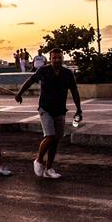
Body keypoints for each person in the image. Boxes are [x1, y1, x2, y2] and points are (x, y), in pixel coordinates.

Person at [15, 48, 81, 179]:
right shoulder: (43, 71)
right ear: (49, 59)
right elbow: (30, 80)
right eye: (54, 58)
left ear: (62, 58)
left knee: (56, 140)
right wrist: (19, 93)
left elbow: (74, 91)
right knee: (50, 136)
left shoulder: (67, 73)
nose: (57, 60)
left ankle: (49, 168)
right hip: (45, 109)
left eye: (59, 57)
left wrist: (79, 108)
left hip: (60, 110)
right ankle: (39, 160)